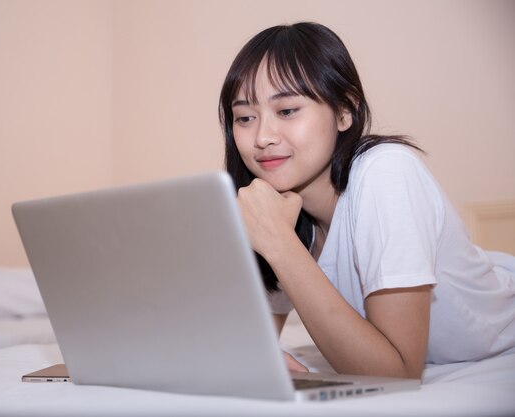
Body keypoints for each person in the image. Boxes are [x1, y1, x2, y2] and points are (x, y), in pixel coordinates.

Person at [218, 22, 515, 379]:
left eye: (287, 111)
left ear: (345, 111)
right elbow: (257, 337)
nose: (262, 137)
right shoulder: (275, 207)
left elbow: (396, 373)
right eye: (245, 118)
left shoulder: (386, 172)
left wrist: (279, 244)